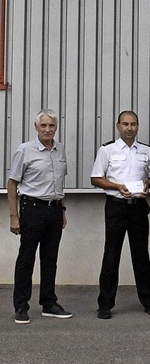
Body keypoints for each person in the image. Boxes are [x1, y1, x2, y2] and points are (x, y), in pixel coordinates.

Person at [90, 110, 150, 319]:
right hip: (116, 207)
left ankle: (149, 301)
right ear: (118, 126)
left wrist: (148, 186)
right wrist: (116, 186)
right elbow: (95, 178)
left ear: (138, 126)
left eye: (133, 124)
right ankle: (105, 304)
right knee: (111, 255)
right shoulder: (108, 150)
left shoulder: (146, 151)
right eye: (125, 124)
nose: (129, 128)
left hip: (138, 207)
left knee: (141, 256)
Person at [9, 109, 73, 324]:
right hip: (32, 209)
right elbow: (12, 183)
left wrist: (62, 210)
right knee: (26, 258)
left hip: (54, 210)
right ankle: (21, 306)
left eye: (51, 126)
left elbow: (59, 183)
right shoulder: (25, 150)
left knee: (50, 259)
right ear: (36, 127)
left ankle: (49, 303)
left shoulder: (60, 150)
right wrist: (13, 216)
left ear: (56, 128)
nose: (47, 129)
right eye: (43, 125)